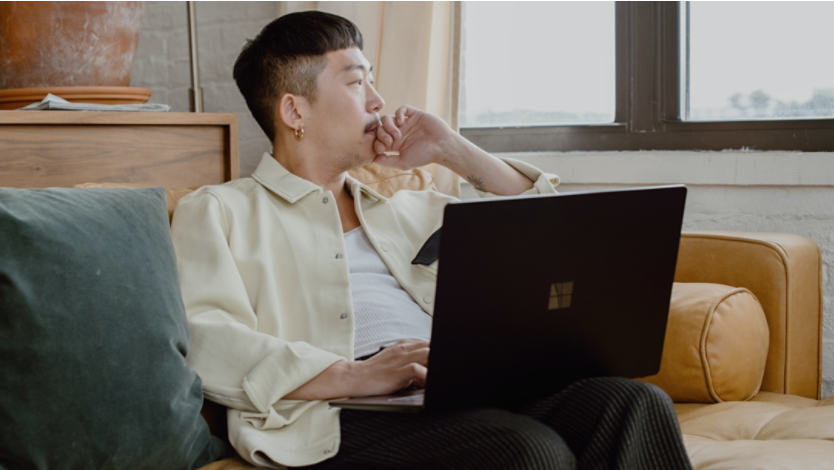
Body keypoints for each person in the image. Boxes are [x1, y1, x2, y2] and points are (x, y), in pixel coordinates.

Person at [171, 10, 692, 470]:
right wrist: (355, 375)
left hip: (464, 387)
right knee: (528, 452)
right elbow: (209, 337)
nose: (379, 102)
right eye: (356, 84)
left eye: (373, 81)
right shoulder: (220, 211)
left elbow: (553, 229)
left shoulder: (413, 208)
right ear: (294, 111)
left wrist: (452, 149)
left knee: (635, 404)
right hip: (339, 412)